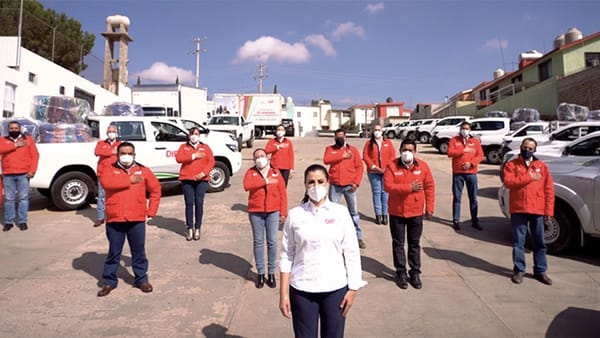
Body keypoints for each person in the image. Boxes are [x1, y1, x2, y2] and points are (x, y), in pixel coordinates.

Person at [279, 164, 367, 338]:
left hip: (335, 289)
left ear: (327, 183)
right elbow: (286, 255)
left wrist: (353, 289)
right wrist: (283, 294)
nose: (316, 186)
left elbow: (351, 252)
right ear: (305, 185)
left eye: (320, 181)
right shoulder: (295, 215)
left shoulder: (340, 213)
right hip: (302, 289)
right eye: (311, 182)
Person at [97, 142, 161, 297]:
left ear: (134, 155)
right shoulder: (109, 169)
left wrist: (151, 210)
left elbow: (155, 190)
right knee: (114, 252)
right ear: (117, 155)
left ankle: (141, 279)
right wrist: (129, 180)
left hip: (137, 218)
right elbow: (106, 183)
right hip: (115, 218)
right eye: (123, 153)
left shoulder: (143, 170)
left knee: (138, 251)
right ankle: (109, 281)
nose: (126, 156)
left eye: (130, 153)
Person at [383, 139, 435, 290]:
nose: (407, 152)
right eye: (405, 149)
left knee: (414, 244)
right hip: (397, 212)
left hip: (416, 212)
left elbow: (430, 187)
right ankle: (400, 273)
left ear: (415, 152)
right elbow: (388, 186)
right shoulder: (392, 166)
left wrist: (429, 208)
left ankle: (415, 273)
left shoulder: (423, 166)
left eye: (411, 150)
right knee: (398, 244)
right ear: (400, 150)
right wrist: (409, 187)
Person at [502, 138, 554, 285]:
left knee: (540, 242)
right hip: (519, 208)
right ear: (521, 148)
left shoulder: (541, 166)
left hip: (537, 209)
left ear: (535, 150)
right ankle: (519, 270)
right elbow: (509, 182)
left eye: (530, 148)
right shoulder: (511, 165)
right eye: (525, 147)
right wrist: (529, 177)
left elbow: (549, 190)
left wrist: (548, 211)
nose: (527, 150)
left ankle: (540, 270)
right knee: (519, 241)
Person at [243, 148, 287, 289]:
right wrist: (265, 182)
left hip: (273, 211)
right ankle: (261, 273)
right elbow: (247, 186)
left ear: (267, 157)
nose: (260, 159)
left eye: (262, 156)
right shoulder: (251, 172)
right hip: (256, 212)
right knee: (258, 242)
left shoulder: (275, 172)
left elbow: (282, 193)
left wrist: (283, 213)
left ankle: (271, 273)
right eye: (257, 157)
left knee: (272, 242)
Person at [323, 129, 366, 249]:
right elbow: (326, 160)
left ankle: (358, 237)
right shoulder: (330, 149)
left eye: (342, 136)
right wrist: (341, 156)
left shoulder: (353, 150)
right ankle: (333, 238)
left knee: (353, 212)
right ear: (334, 138)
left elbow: (359, 167)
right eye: (337, 137)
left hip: (349, 186)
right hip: (335, 185)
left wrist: (356, 183)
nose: (340, 138)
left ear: (346, 137)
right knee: (332, 212)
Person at [175, 127, 215, 241]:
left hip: (201, 179)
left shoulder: (205, 147)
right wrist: (193, 156)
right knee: (189, 203)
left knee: (199, 203)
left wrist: (203, 174)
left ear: (199, 135)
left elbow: (211, 161)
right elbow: (179, 158)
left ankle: (197, 227)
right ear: (188, 135)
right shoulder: (184, 147)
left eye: (196, 134)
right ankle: (190, 228)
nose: (194, 136)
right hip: (187, 179)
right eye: (192, 134)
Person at [0, 121, 39, 232]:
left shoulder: (28, 140)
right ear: (8, 129)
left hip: (23, 174)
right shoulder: (3, 140)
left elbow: (35, 155)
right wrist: (15, 145)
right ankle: (8, 222)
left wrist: (32, 171)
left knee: (23, 199)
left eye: (16, 128)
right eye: (11, 128)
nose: (14, 130)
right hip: (8, 174)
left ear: (20, 129)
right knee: (9, 199)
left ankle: (22, 221)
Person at [447, 121, 484, 230]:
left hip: (471, 173)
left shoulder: (475, 141)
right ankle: (456, 220)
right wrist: (462, 150)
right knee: (457, 198)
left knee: (473, 198)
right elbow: (450, 153)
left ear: (470, 130)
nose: (464, 130)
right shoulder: (454, 140)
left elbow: (480, 155)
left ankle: (474, 220)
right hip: (458, 173)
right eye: (463, 128)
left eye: (467, 128)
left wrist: (471, 163)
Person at [362, 124, 396, 225]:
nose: (377, 131)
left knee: (385, 193)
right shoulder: (369, 143)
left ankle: (385, 215)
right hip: (373, 172)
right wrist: (374, 167)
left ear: (382, 131)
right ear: (373, 132)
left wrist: (387, 168)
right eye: (375, 130)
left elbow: (392, 156)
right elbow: (365, 156)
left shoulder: (388, 143)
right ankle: (378, 215)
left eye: (379, 130)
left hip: (386, 172)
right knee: (376, 193)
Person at [93, 124, 121, 227]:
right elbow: (97, 152)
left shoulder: (120, 144)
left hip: (115, 173)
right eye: (109, 132)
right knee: (101, 196)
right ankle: (100, 218)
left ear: (116, 133)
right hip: (103, 173)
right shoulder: (101, 143)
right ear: (106, 133)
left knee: (116, 196)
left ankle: (115, 216)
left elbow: (121, 154)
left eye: (113, 131)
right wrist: (111, 152)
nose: (111, 134)